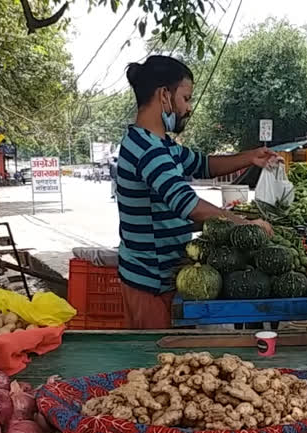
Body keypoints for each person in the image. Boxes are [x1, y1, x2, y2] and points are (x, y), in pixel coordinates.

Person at [117, 55, 276, 329]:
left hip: (167, 276)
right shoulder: (147, 150)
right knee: (157, 363)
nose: (188, 108)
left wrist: (250, 157)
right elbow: (188, 205)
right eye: (186, 98)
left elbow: (203, 164)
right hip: (151, 283)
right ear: (164, 95)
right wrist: (248, 226)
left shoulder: (163, 145)